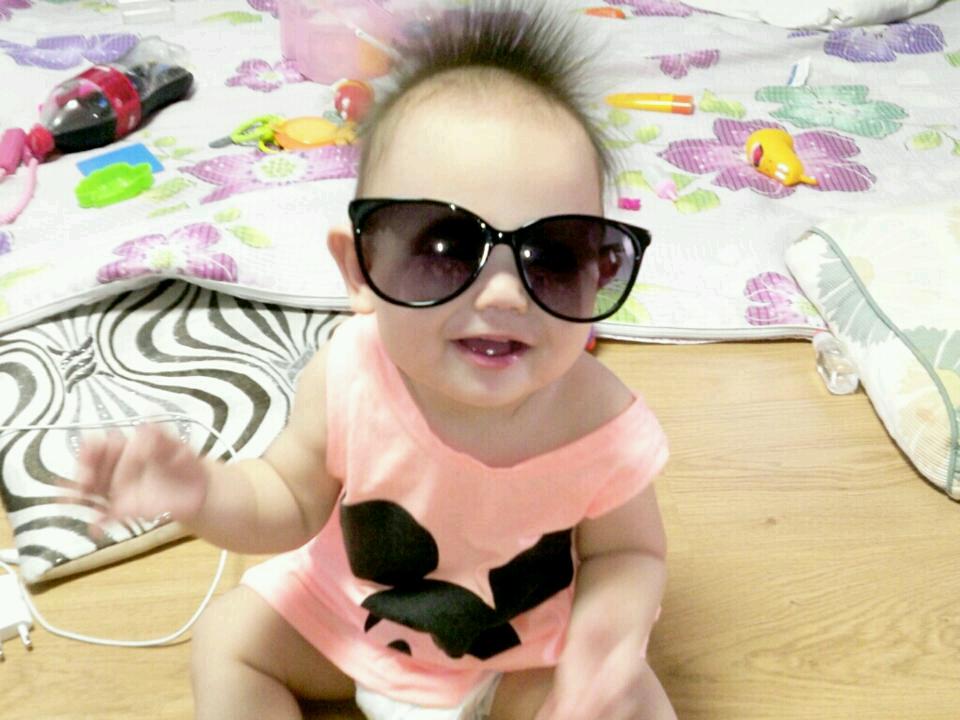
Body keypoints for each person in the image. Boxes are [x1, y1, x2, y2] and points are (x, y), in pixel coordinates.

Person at [75, 3, 676, 718]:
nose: (506, 295)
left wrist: (608, 639)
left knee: (631, 699)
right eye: (445, 251)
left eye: (553, 257)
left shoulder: (599, 420)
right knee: (229, 638)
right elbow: (284, 499)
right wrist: (203, 493)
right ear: (359, 271)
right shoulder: (349, 374)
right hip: (350, 620)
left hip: (520, 651)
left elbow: (629, 554)